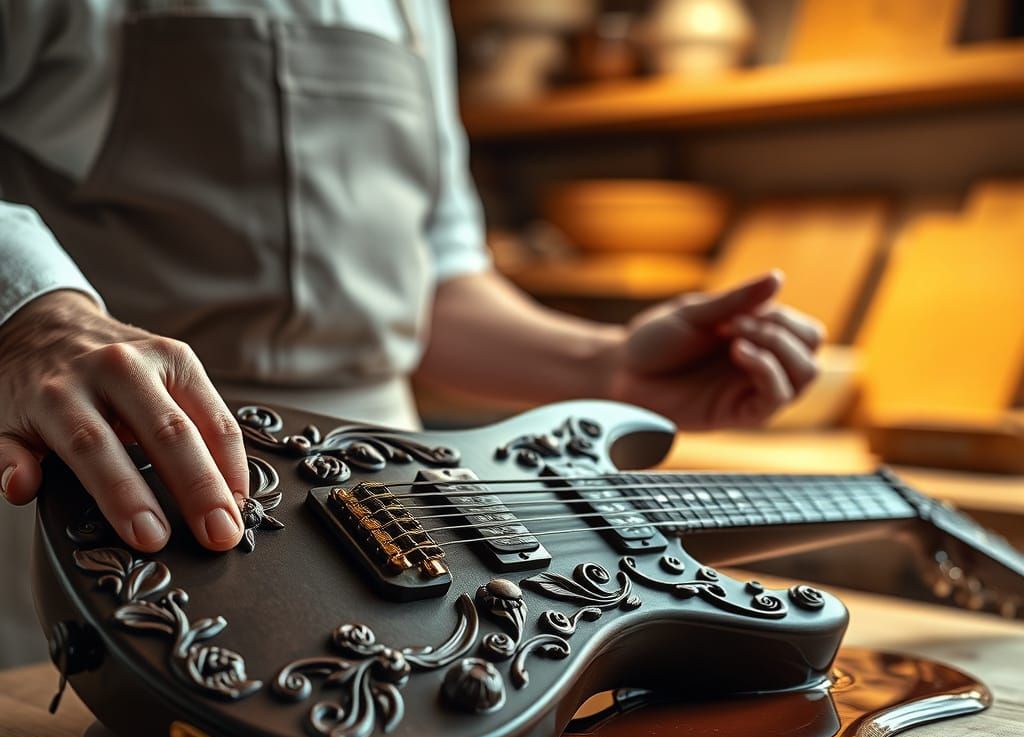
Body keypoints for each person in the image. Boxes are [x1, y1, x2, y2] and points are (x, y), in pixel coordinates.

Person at [0, 0, 823, 667]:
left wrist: (608, 367)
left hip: (404, 511)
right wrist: (33, 314)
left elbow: (428, 283)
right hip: (113, 506)